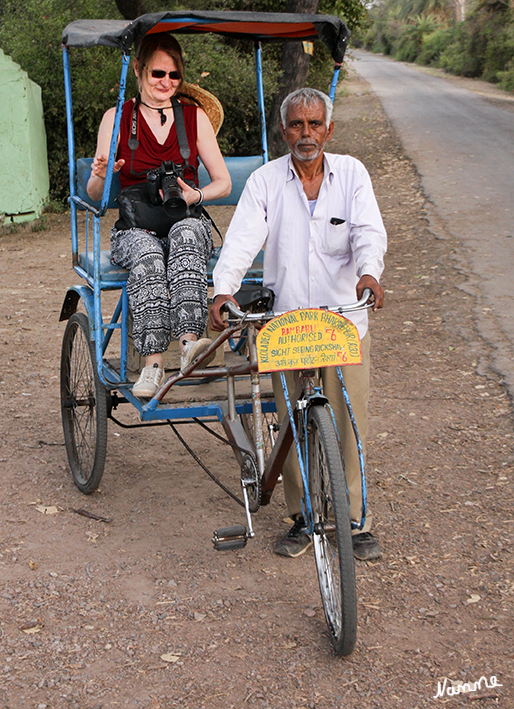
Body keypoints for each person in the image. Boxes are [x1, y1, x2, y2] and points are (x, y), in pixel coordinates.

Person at [210, 87, 387, 561]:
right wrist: (223, 288)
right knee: (290, 423)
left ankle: (354, 519)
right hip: (286, 324)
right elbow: (243, 239)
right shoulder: (267, 181)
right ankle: (303, 517)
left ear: (329, 130)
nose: (305, 134)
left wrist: (370, 272)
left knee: (350, 423)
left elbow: (369, 231)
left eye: (314, 125)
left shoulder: (352, 174)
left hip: (342, 323)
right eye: (296, 125)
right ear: (283, 130)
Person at [88, 32, 231, 399]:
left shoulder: (192, 117)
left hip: (184, 216)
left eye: (173, 75)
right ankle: (152, 366)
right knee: (149, 256)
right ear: (138, 70)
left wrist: (194, 194)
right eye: (157, 74)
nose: (166, 83)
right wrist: (103, 175)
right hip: (136, 224)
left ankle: (188, 347)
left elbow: (224, 183)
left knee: (185, 236)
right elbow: (95, 196)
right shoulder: (117, 117)